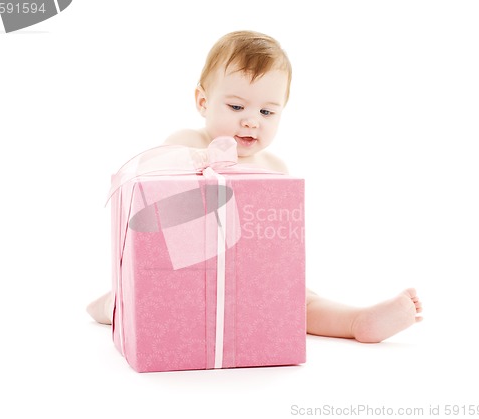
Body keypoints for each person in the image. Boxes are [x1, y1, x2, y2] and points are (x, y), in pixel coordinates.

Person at [87, 30, 422, 343]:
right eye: (236, 107)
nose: (251, 120)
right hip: (190, 272)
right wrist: (211, 159)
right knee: (144, 297)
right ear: (203, 102)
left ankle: (356, 322)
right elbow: (161, 185)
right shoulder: (186, 142)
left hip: (251, 277)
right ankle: (115, 304)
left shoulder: (275, 168)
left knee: (299, 298)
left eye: (266, 111)